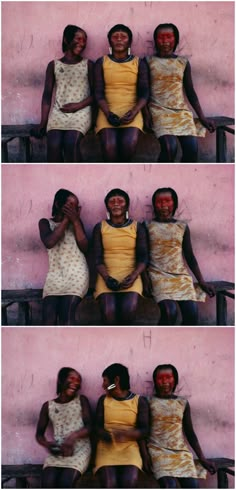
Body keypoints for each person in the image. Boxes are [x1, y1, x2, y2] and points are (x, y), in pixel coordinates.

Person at [144, 187, 215, 325]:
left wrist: (202, 282)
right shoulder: (147, 226)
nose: (163, 206)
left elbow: (190, 257)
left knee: (192, 315)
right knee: (170, 312)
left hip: (180, 276)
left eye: (167, 201)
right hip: (158, 275)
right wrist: (145, 279)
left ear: (174, 204)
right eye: (159, 202)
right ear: (154, 205)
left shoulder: (182, 226)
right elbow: (142, 256)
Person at [145, 23, 215, 162]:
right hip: (158, 111)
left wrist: (202, 117)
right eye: (161, 38)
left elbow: (190, 92)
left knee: (192, 150)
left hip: (181, 112)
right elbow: (143, 92)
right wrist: (146, 115)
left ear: (175, 40)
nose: (165, 41)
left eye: (169, 37)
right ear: (155, 40)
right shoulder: (148, 61)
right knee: (170, 148)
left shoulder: (183, 62)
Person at [141, 364, 216, 488]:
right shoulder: (147, 402)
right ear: (155, 381)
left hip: (181, 453)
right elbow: (142, 432)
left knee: (192, 486)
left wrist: (202, 458)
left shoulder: (182, 403)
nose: (165, 381)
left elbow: (190, 433)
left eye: (168, 377)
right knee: (169, 486)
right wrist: (145, 457)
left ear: (175, 380)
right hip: (158, 452)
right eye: (160, 378)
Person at [32, 25, 93, 162]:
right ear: (66, 40)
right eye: (79, 39)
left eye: (85, 40)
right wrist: (43, 121)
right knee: (53, 144)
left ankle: (76, 177)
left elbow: (96, 94)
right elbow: (47, 95)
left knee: (71, 142)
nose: (82, 43)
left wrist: (77, 106)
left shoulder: (88, 65)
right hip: (59, 111)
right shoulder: (53, 65)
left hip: (82, 110)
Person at [93, 188, 148, 325]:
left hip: (131, 275)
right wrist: (107, 278)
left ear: (127, 205)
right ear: (107, 206)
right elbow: (97, 259)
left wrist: (134, 275)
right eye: (112, 201)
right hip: (106, 275)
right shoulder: (100, 227)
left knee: (128, 311)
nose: (116, 204)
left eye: (120, 201)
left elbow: (143, 258)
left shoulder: (137, 227)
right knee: (108, 313)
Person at [95, 24, 149, 162]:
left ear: (129, 41)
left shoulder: (139, 63)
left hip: (132, 109)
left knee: (129, 145)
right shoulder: (101, 62)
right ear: (110, 41)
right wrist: (108, 113)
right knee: (108, 147)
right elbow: (98, 93)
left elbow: (144, 93)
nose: (119, 40)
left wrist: (135, 111)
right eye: (115, 37)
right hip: (107, 109)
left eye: (123, 37)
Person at [94, 363, 149, 488]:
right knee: (109, 483)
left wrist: (128, 434)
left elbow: (145, 430)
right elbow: (96, 427)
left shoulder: (139, 401)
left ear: (116, 380)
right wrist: (106, 435)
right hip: (106, 447)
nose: (103, 385)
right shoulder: (104, 400)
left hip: (130, 447)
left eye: (105, 381)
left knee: (129, 481)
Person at [39, 188, 89, 325]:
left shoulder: (77, 223)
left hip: (77, 274)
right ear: (57, 205)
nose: (73, 209)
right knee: (48, 319)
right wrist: (67, 219)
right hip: (55, 275)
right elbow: (50, 242)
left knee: (66, 315)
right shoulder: (45, 223)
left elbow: (85, 247)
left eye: (75, 206)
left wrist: (76, 221)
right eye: (69, 205)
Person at [36, 367, 92, 488]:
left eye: (78, 380)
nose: (75, 383)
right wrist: (47, 444)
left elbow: (90, 427)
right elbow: (39, 434)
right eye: (72, 378)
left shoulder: (81, 400)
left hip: (80, 449)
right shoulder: (48, 406)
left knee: (66, 482)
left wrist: (73, 437)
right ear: (61, 380)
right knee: (47, 482)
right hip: (59, 449)